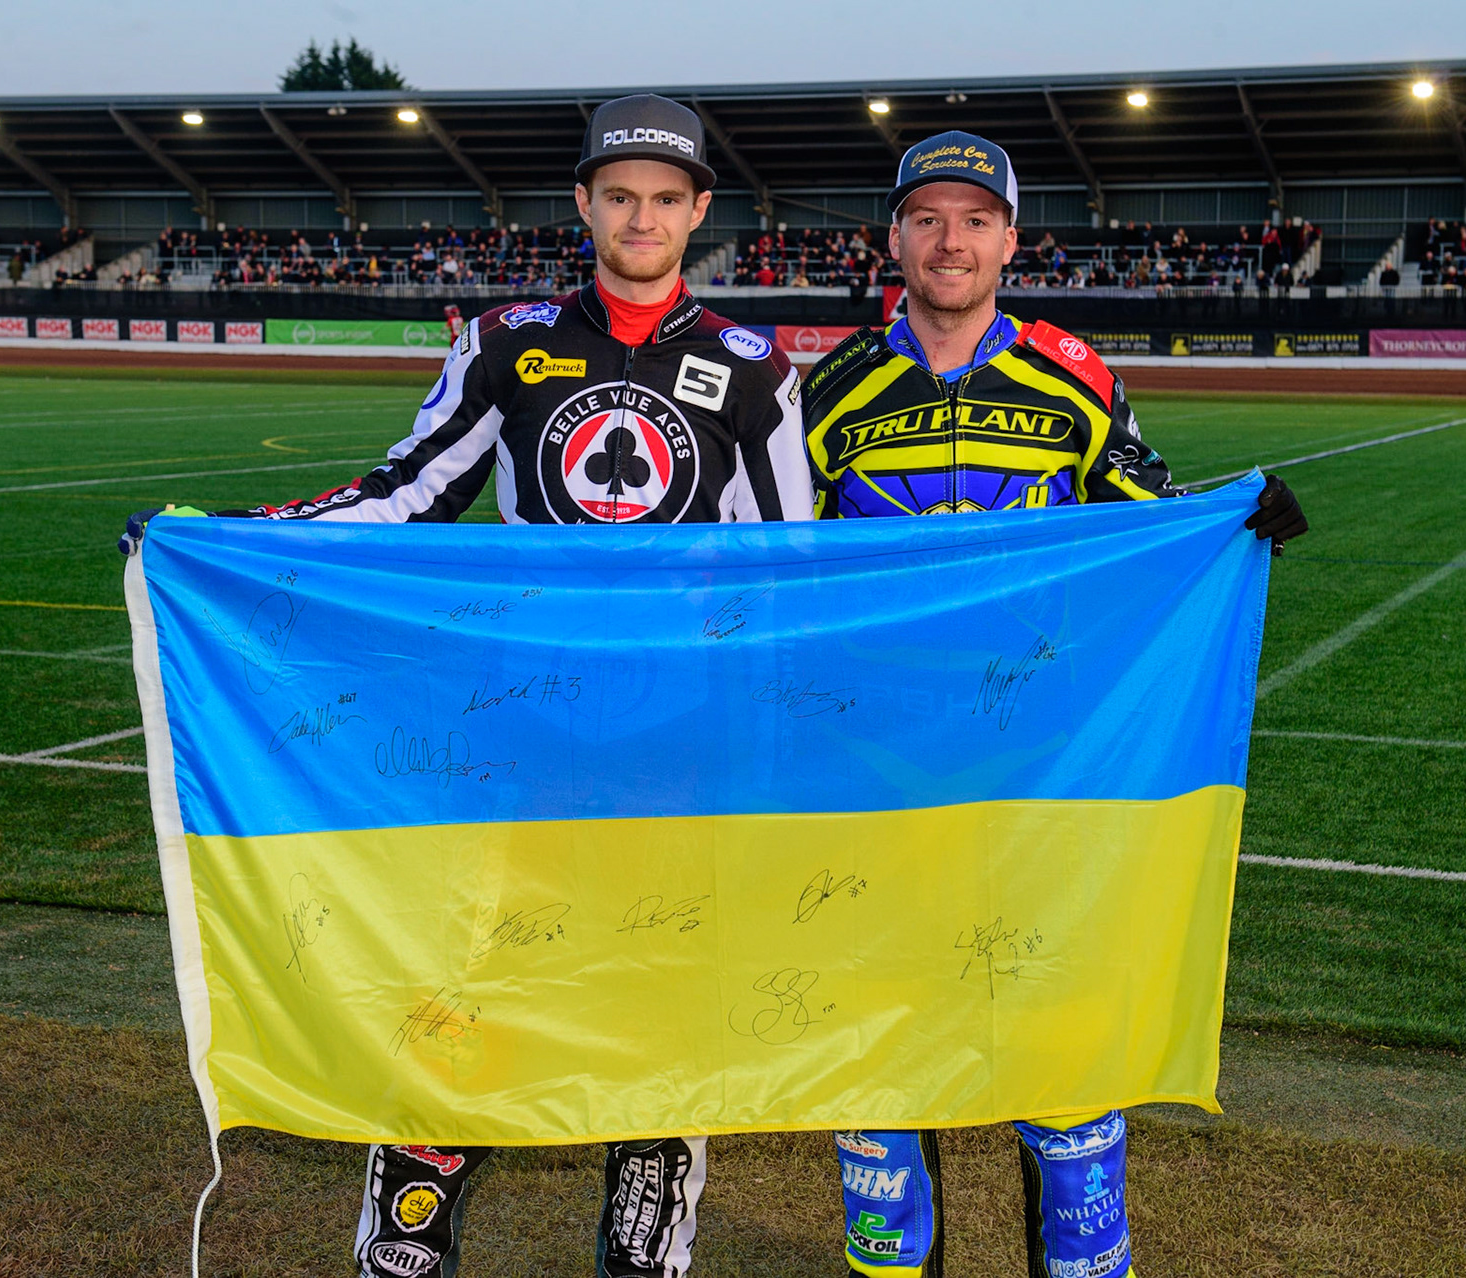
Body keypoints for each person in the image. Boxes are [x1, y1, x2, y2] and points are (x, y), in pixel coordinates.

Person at [120, 94, 813, 1278]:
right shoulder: (506, 342)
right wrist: (230, 537)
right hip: (514, 741)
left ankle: (650, 1238)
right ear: (584, 204)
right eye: (618, 195)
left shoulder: (752, 370)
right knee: (462, 993)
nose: (639, 218)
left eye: (665, 198)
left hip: (675, 754)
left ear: (699, 212)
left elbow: (791, 572)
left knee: (658, 996)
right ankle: (405, 1238)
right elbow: (405, 494)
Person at [799, 130, 1306, 1278]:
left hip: (1045, 777)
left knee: (1062, 1068)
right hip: (876, 781)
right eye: (927, 217)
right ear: (894, 237)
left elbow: (1147, 508)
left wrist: (1234, 516)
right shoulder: (826, 390)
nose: (951, 240)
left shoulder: (1073, 376)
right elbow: (771, 561)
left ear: (1011, 242)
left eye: (976, 219)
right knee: (883, 1069)